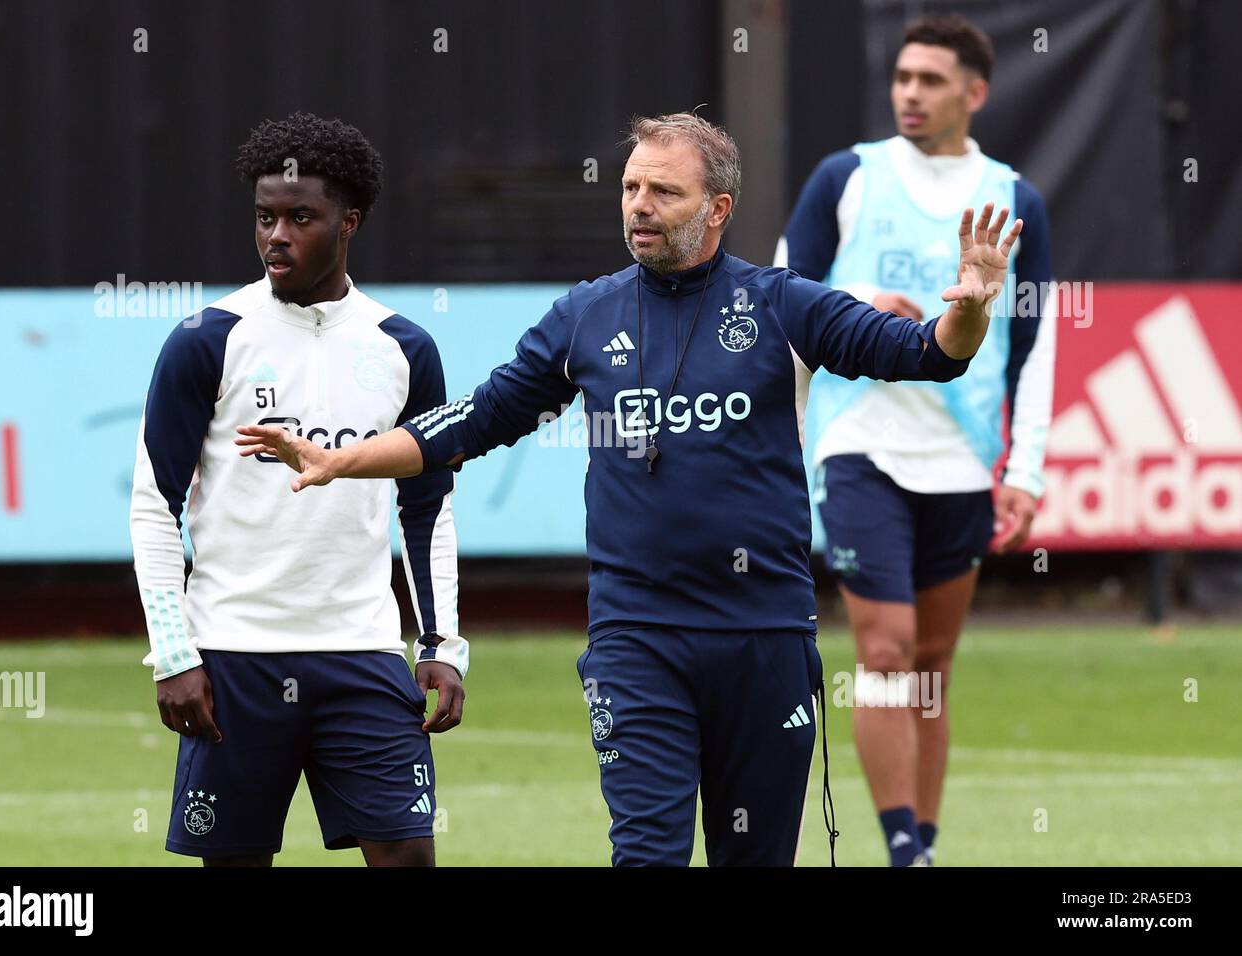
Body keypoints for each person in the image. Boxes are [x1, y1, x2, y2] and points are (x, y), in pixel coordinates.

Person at [237, 112, 1021, 866]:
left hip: (766, 637)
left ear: (717, 209)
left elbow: (925, 353)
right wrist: (344, 460)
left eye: (663, 192)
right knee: (646, 853)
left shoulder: (783, 304)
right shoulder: (586, 313)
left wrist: (973, 314)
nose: (639, 206)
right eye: (629, 188)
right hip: (636, 638)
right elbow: (478, 418)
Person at [129, 112, 465, 867]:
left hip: (362, 653)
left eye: (299, 218)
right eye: (264, 217)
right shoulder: (205, 340)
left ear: (349, 222)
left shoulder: (405, 347)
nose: (276, 235)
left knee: (410, 858)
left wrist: (442, 643)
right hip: (233, 657)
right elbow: (156, 506)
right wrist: (174, 653)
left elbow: (429, 505)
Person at [775, 14, 1055, 866]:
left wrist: (1026, 467)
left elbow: (1039, 344)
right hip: (859, 443)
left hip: (963, 456)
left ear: (975, 93)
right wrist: (855, 300)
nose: (910, 92)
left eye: (931, 80)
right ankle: (903, 847)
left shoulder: (1015, 198)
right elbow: (779, 300)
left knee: (932, 662)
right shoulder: (847, 177)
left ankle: (923, 843)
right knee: (886, 649)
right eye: (902, 77)